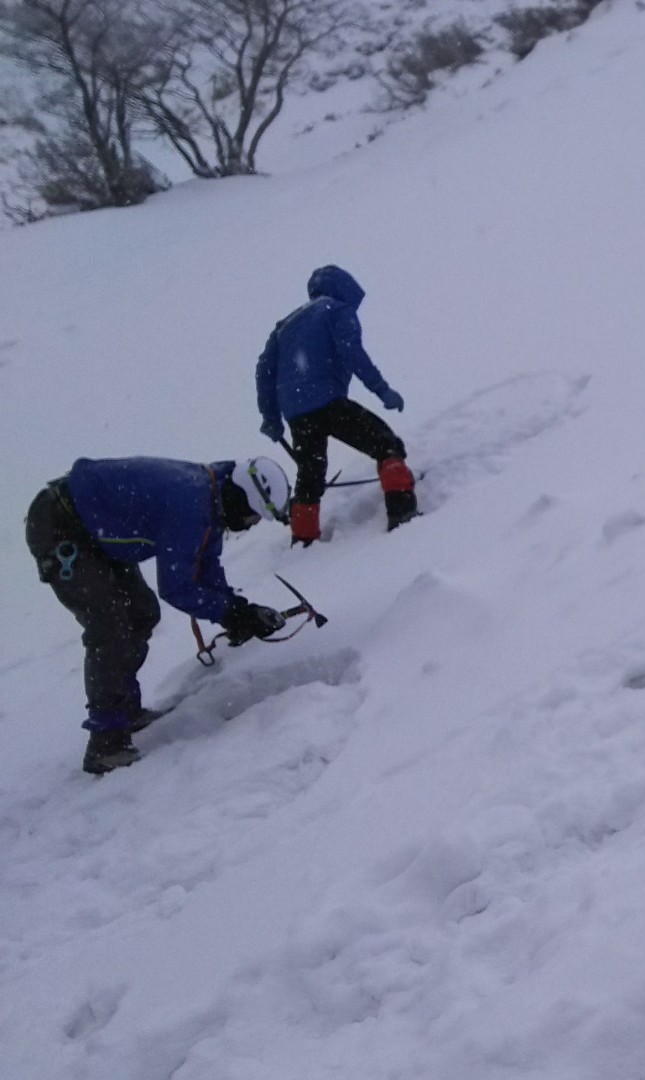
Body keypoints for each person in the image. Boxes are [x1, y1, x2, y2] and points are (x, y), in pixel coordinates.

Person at [24, 456, 294, 775]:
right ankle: (106, 741)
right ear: (242, 499)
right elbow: (177, 587)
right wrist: (233, 614)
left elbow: (204, 567)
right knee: (110, 625)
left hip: (95, 529)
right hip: (61, 527)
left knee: (142, 612)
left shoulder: (210, 496)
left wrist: (240, 610)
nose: (252, 524)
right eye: (254, 516)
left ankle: (124, 709)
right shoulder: (190, 505)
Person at [257, 264, 417, 544]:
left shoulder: (283, 327)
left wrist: (271, 417)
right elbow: (352, 352)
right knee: (386, 444)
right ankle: (402, 514)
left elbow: (264, 372)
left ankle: (303, 540)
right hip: (329, 402)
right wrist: (382, 390)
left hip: (297, 415)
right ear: (345, 288)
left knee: (310, 476)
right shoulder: (337, 310)